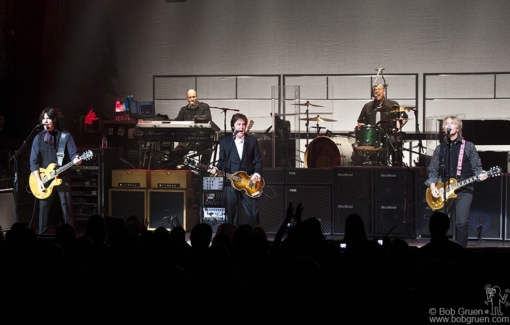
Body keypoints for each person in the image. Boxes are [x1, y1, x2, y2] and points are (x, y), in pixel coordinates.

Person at [425, 115, 488, 248]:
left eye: (452, 123)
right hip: (444, 190)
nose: (448, 125)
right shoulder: (440, 148)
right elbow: (433, 169)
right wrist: (432, 186)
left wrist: (480, 174)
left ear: (458, 128)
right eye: (446, 123)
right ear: (443, 128)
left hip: (464, 189)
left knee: (461, 223)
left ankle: (461, 252)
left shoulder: (468, 146)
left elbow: (477, 167)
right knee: (438, 222)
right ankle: (437, 249)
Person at [30, 107, 82, 234]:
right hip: (44, 179)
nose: (45, 121)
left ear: (54, 120)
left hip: (62, 176)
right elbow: (33, 161)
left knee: (67, 208)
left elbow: (74, 154)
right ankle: (42, 235)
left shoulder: (65, 136)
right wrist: (39, 181)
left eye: (48, 118)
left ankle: (70, 235)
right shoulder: (38, 138)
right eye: (44, 118)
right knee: (43, 208)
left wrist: (77, 159)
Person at [209, 113, 262, 227]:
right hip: (230, 181)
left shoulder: (252, 141)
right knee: (231, 213)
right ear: (233, 126)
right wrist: (216, 168)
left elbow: (258, 161)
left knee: (253, 212)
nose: (241, 127)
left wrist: (257, 173)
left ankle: (255, 236)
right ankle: (232, 236)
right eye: (239, 124)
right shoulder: (225, 142)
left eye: (244, 124)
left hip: (248, 182)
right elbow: (222, 161)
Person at [356, 83, 406, 166]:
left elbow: (404, 118)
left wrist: (397, 129)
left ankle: (396, 166)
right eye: (375, 90)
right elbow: (360, 121)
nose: (376, 91)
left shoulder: (392, 104)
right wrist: (363, 130)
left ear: (384, 91)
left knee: (396, 141)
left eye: (379, 89)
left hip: (388, 135)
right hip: (372, 136)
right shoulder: (368, 106)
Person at [172, 89, 213, 165]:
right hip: (186, 140)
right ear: (187, 98)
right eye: (190, 97)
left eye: (194, 97)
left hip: (201, 140)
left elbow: (208, 119)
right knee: (174, 155)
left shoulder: (204, 107)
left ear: (197, 97)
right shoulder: (183, 110)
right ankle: (182, 172)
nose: (192, 99)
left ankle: (202, 173)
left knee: (207, 152)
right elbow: (177, 121)